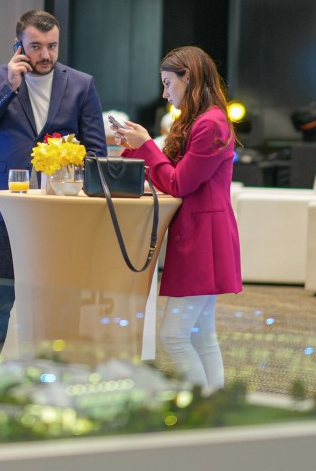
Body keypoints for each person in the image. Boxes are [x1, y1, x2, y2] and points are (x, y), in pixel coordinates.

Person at [0, 9, 107, 353]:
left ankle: (54, 372)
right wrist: (8, 87)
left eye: (52, 46)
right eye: (36, 46)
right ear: (19, 45)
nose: (46, 55)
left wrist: (71, 174)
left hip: (61, 211)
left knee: (61, 299)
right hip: (4, 210)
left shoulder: (81, 84)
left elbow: (96, 152)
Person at [112, 45, 241, 391]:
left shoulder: (210, 123)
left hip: (204, 239)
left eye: (169, 83)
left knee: (175, 336)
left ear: (189, 78)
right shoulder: (200, 120)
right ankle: (212, 405)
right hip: (200, 234)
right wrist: (136, 145)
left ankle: (200, 404)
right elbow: (169, 172)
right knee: (200, 335)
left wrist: (145, 145)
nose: (165, 93)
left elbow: (179, 183)